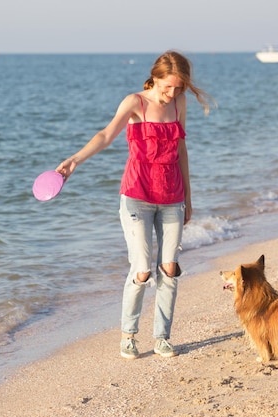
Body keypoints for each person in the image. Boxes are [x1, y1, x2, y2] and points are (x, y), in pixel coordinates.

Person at [56, 51, 212, 359]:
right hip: (136, 196)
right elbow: (105, 135)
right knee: (142, 270)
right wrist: (75, 160)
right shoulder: (135, 103)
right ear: (155, 78)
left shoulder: (179, 104)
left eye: (178, 88)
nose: (173, 93)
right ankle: (128, 335)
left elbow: (181, 150)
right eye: (168, 87)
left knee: (169, 269)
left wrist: (189, 199)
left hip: (172, 197)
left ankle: (162, 338)